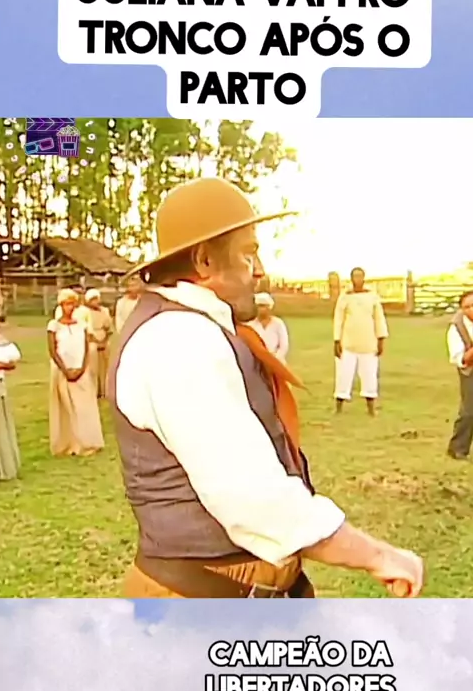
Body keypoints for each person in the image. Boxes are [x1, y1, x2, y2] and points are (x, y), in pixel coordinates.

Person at [107, 177, 423, 600]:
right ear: (204, 260)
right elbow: (255, 499)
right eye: (248, 253)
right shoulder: (178, 339)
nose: (260, 270)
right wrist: (380, 556)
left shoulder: (192, 328)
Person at [47, 288, 104, 457]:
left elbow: (86, 348)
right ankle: (69, 443)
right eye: (66, 304)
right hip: (62, 370)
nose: (69, 307)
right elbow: (52, 350)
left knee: (84, 406)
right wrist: (65, 370)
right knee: (66, 408)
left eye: (72, 304)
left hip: (81, 369)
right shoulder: (54, 326)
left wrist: (82, 368)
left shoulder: (81, 326)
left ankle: (87, 441)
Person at [333, 267, 389, 416]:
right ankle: (339, 408)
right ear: (351, 279)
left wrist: (381, 339)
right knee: (343, 375)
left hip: (368, 343)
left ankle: (371, 408)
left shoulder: (372, 296)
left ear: (364, 278)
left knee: (369, 375)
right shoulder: (345, 296)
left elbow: (379, 318)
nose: (357, 279)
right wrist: (337, 340)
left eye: (360, 276)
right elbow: (338, 319)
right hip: (348, 343)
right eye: (355, 277)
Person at [0, 310, 21, 480]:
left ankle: (4, 465)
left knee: (0, 426)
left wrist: (0, 366)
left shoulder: (1, 342)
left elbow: (12, 362)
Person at [446, 290, 473, 460]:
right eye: (467, 307)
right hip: (470, 370)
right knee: (469, 410)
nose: (471, 309)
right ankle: (458, 448)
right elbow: (462, 359)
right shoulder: (457, 327)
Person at [84, 288, 113, 399]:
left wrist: (104, 341)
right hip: (91, 340)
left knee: (105, 367)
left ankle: (104, 390)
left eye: (97, 299)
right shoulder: (85, 312)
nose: (96, 302)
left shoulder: (104, 311)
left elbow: (109, 328)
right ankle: (94, 390)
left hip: (103, 338)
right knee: (93, 367)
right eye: (93, 300)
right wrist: (95, 341)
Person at [247, 292, 289, 363]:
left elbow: (284, 346)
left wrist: (274, 359)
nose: (260, 309)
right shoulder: (251, 325)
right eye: (259, 306)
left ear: (269, 307)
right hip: (257, 362)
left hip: (276, 361)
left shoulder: (278, 323)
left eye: (263, 306)